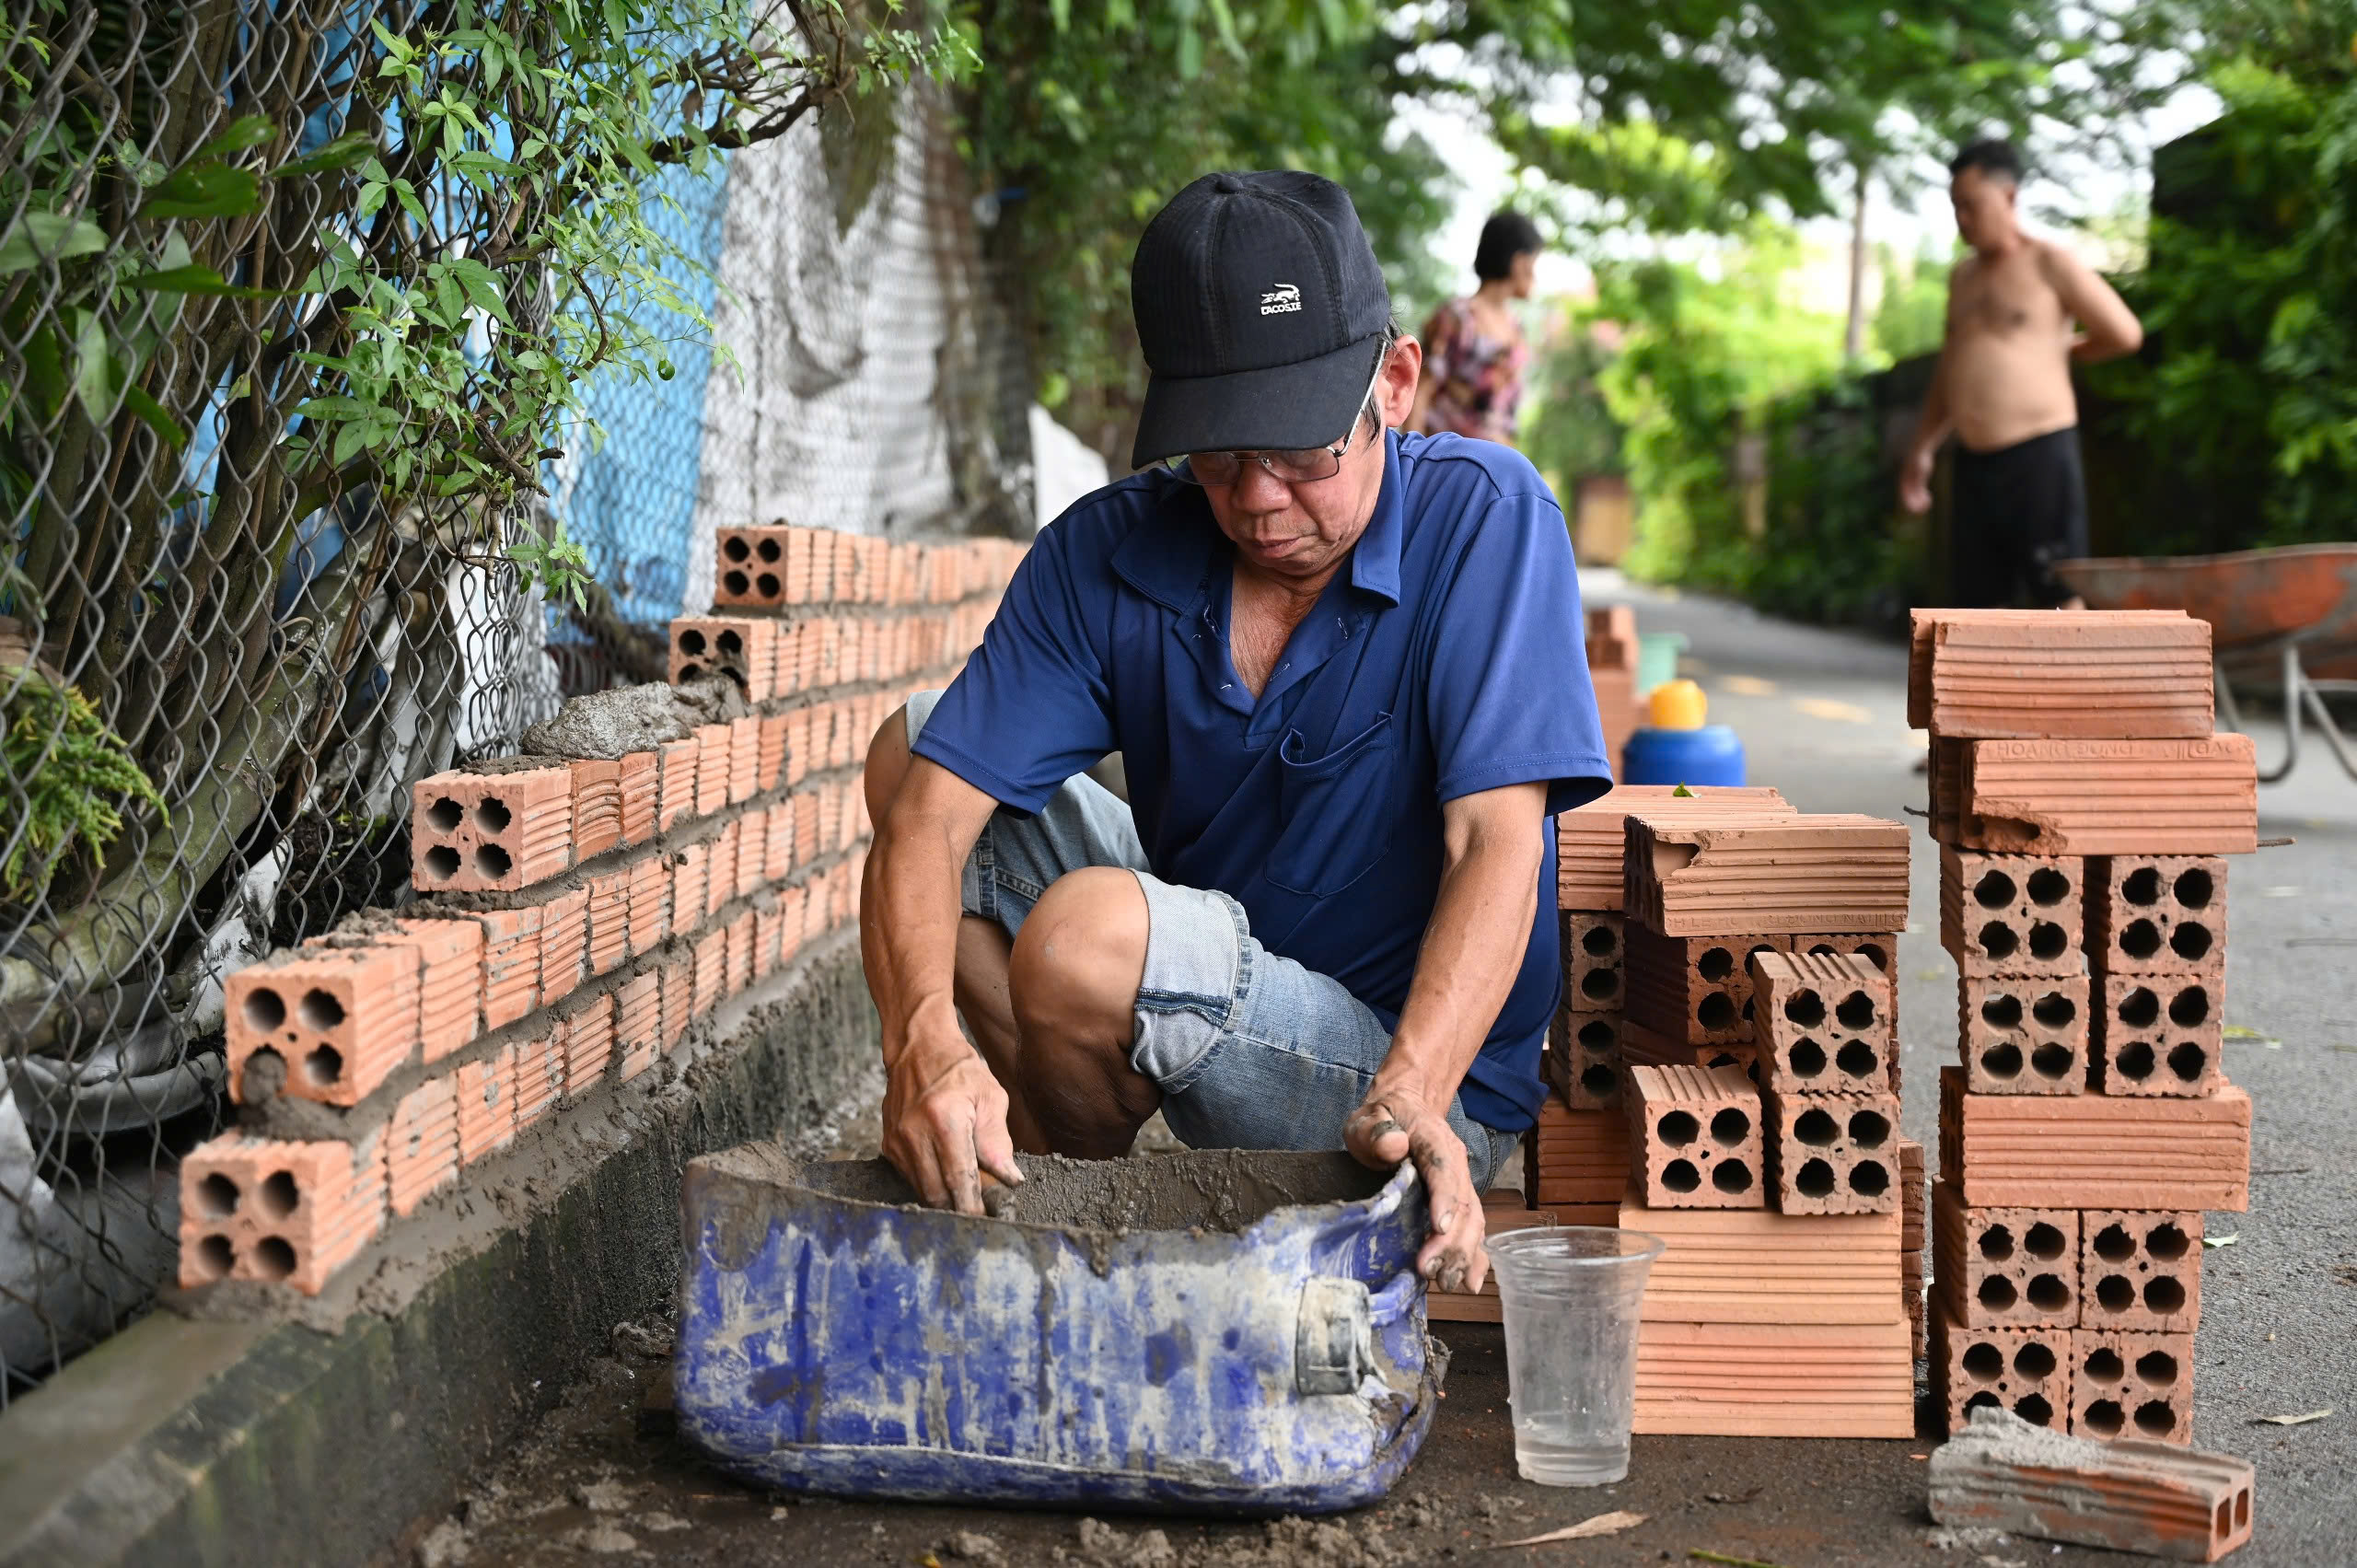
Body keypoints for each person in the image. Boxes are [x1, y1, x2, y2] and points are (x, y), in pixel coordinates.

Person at [859, 171, 1610, 1295]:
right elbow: (930, 817)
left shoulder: (1486, 518)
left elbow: (1494, 845)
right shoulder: (1110, 553)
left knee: (1084, 941)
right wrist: (919, 1039)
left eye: (1301, 452)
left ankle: (1091, 1232)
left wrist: (1414, 1094)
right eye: (1217, 455)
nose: (1258, 498)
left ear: (1395, 383)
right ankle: (1075, 1201)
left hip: (1406, 1076)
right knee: (910, 751)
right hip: (1207, 962)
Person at [1899, 138, 2143, 608]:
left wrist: (2068, 349)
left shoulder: (2049, 262)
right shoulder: (1961, 278)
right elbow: (1949, 369)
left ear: (2009, 196)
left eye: (1971, 205)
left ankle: (2072, 685)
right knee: (1973, 605)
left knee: (2059, 596)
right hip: (1973, 462)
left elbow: (2124, 332)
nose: (1962, 220)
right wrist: (1922, 449)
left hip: (2040, 455)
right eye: (1955, 208)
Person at [1405, 210, 1541, 445]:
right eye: (1534, 262)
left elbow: (1506, 415)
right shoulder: (1457, 317)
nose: (1536, 275)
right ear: (1520, 262)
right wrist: (1412, 464)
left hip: (1494, 465)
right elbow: (1420, 393)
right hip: (1448, 462)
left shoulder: (1517, 328)